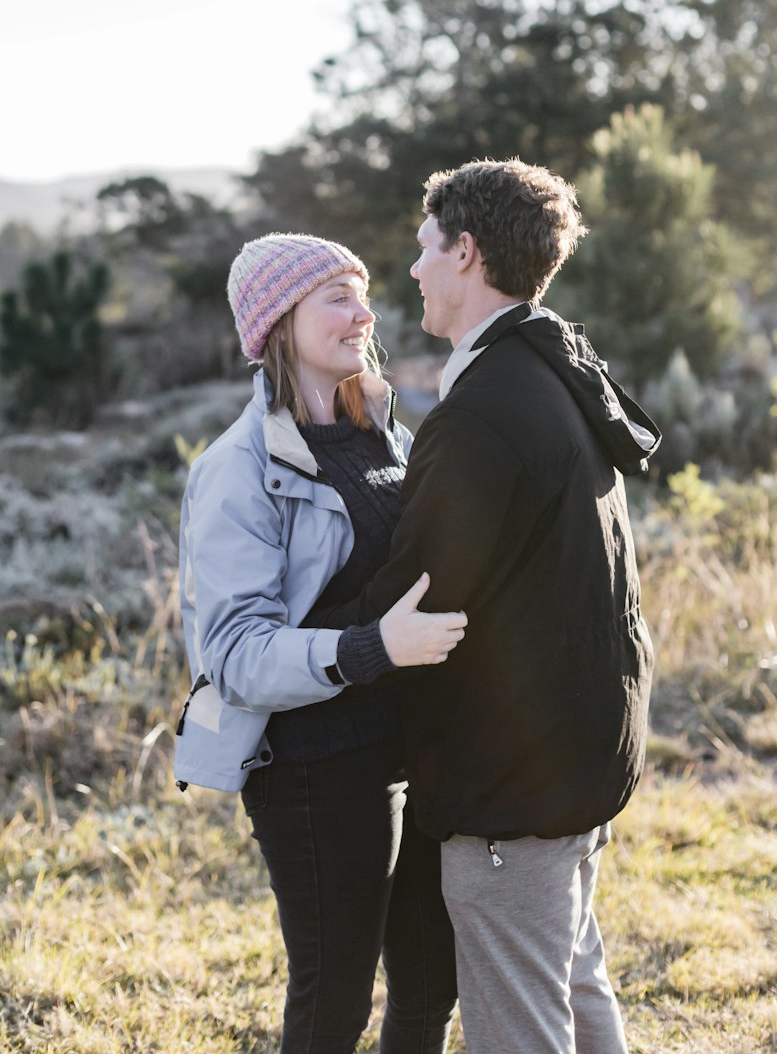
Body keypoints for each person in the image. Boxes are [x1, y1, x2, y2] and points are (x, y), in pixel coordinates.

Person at [307, 159, 661, 1054]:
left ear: (467, 252)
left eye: (427, 249)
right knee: (577, 988)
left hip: (515, 784)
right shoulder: (554, 371)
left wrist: (296, 645)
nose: (416, 270)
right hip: (580, 755)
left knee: (521, 1026)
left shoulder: (483, 412)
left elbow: (422, 594)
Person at [174, 232, 463, 1054]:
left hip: (413, 753)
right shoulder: (236, 469)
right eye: (337, 296)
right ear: (278, 320)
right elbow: (231, 655)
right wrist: (369, 648)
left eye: (362, 292)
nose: (364, 312)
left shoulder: (381, 431)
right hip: (315, 771)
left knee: (428, 981)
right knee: (335, 1002)